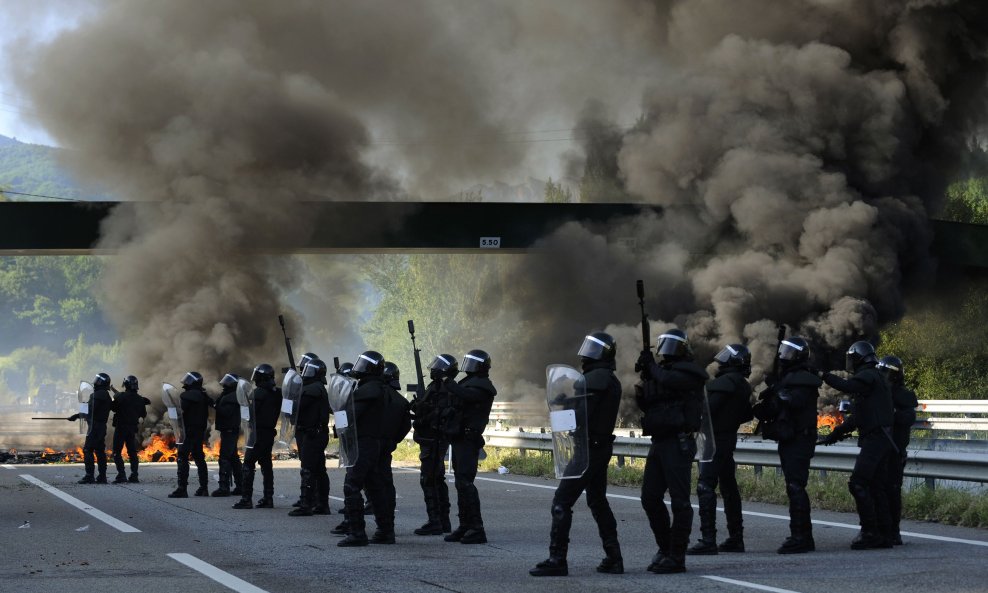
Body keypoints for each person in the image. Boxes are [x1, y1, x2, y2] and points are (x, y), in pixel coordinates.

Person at [530, 332, 624, 577]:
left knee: (561, 502)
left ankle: (557, 559)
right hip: (600, 447)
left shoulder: (592, 379)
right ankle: (614, 558)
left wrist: (566, 408)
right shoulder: (610, 379)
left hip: (589, 450)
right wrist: (570, 403)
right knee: (597, 501)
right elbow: (591, 409)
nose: (586, 352)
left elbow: (583, 416)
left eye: (593, 348)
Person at [636, 329, 708, 574]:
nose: (665, 350)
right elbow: (650, 399)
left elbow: (670, 381)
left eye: (670, 345)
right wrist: (647, 375)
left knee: (680, 501)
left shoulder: (691, 373)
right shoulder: (661, 373)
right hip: (659, 441)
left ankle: (677, 556)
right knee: (649, 497)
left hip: (679, 443)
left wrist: (652, 368)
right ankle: (665, 547)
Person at [819, 341, 895, 550]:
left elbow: (846, 386)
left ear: (859, 359)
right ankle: (884, 534)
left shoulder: (868, 376)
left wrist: (823, 375)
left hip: (876, 439)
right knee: (876, 486)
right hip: (882, 439)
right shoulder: (875, 380)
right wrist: (834, 435)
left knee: (858, 483)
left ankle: (870, 532)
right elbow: (858, 417)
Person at [752, 336, 822, 554]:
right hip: (790, 439)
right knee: (793, 486)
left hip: (801, 439)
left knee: (795, 486)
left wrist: (779, 395)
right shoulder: (788, 378)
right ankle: (800, 534)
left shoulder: (803, 379)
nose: (784, 356)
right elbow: (777, 408)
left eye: (789, 352)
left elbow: (794, 402)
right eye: (784, 351)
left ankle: (801, 537)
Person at [688, 344, 753, 555]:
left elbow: (706, 411)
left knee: (706, 486)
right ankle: (737, 538)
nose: (721, 362)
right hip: (728, 440)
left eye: (726, 358)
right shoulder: (742, 385)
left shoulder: (723, 383)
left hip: (712, 441)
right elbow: (746, 415)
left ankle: (708, 540)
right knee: (728, 488)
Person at [442, 349, 497, 545]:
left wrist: (448, 382)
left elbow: (465, 395)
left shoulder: (483, 386)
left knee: (465, 483)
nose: (468, 365)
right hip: (459, 438)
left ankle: (476, 528)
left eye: (471, 362)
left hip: (469, 439)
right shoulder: (469, 383)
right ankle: (465, 525)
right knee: (459, 483)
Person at [338, 351, 390, 547]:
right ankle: (385, 531)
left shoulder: (369, 390)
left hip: (364, 444)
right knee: (375, 488)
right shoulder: (374, 388)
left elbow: (351, 415)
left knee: (351, 486)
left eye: (363, 365)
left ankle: (357, 532)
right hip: (370, 443)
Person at [410, 354, 457, 535]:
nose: (433, 369)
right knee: (436, 479)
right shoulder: (438, 387)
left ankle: (435, 521)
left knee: (429, 479)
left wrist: (422, 411)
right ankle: (442, 521)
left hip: (435, 439)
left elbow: (438, 413)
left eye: (438, 366)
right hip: (433, 438)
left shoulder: (444, 389)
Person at [878, 355, 917, 545]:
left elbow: (908, 417)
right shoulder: (879, 394)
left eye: (885, 372)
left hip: (895, 450)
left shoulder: (903, 396)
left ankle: (893, 531)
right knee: (877, 489)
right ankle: (880, 529)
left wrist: (891, 415)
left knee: (892, 490)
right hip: (879, 449)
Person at [372, 361, 412, 543]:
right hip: (386, 447)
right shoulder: (401, 401)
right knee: (386, 484)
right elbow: (404, 427)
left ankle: (359, 526)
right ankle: (388, 527)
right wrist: (391, 441)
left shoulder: (373, 395)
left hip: (370, 446)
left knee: (370, 485)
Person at [234, 364, 282, 509]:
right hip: (269, 433)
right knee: (266, 465)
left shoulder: (258, 393)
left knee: (248, 464)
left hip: (257, 433)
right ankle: (268, 498)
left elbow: (249, 414)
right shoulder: (277, 393)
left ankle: (246, 499)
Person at [289, 358, 331, 517]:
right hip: (315, 433)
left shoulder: (313, 389)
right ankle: (322, 504)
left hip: (313, 434)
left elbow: (296, 407)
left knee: (307, 470)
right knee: (319, 470)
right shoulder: (316, 387)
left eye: (308, 371)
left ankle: (306, 505)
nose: (305, 374)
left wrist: (291, 393)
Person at [168, 372, 211, 498]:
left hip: (187, 432)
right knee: (199, 458)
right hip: (199, 431)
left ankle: (182, 489)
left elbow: (180, 413)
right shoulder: (204, 396)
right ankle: (204, 488)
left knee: (182, 457)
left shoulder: (186, 396)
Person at [69, 372, 113, 484]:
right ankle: (102, 476)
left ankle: (89, 476)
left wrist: (77, 415)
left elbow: (89, 410)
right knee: (99, 451)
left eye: (97, 381)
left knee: (88, 450)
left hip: (94, 427)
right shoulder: (106, 395)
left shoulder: (97, 395)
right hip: (101, 427)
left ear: (101, 382)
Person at [110, 375, 149, 484]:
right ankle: (134, 475)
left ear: (126, 385)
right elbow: (143, 414)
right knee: (132, 452)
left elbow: (113, 408)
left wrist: (116, 397)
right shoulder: (140, 399)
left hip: (121, 428)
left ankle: (121, 475)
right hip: (132, 429)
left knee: (117, 452)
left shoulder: (121, 397)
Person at [211, 373, 243, 497]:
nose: (224, 384)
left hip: (230, 430)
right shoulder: (229, 395)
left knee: (224, 458)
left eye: (228, 382)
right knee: (233, 458)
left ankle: (223, 487)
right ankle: (240, 486)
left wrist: (215, 406)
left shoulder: (232, 397)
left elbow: (226, 412)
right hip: (229, 430)